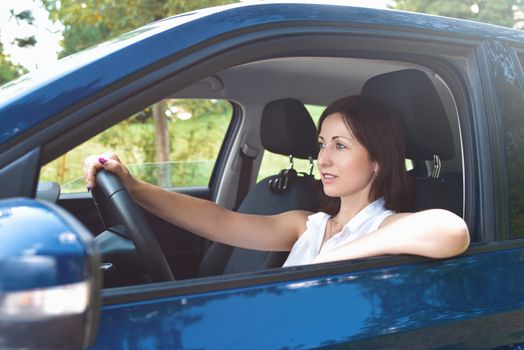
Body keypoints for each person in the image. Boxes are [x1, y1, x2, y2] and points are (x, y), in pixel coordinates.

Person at [84, 95, 470, 268]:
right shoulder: (306, 223)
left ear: (378, 160)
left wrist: (329, 258)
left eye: (340, 146)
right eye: (322, 144)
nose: (322, 159)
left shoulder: (386, 223)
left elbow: (450, 230)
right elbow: (219, 221)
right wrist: (133, 187)